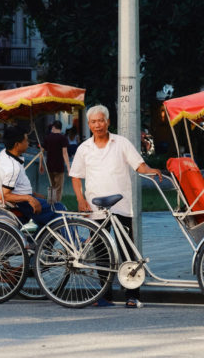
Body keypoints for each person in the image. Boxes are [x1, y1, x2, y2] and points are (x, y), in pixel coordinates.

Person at [69, 104, 162, 308]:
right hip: (95, 207)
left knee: (127, 249)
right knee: (101, 251)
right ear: (89, 124)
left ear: (108, 122)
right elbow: (76, 176)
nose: (97, 125)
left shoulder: (121, 143)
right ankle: (104, 295)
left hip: (121, 205)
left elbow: (139, 165)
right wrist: (80, 200)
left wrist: (151, 171)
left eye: (101, 120)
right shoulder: (84, 148)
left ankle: (132, 295)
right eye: (93, 122)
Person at [0, 126, 63, 227]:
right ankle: (74, 241)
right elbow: (4, 196)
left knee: (49, 209)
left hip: (22, 199)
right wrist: (30, 198)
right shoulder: (12, 167)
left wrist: (33, 194)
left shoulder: (5, 154)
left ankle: (41, 241)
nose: (28, 143)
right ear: (17, 145)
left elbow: (17, 186)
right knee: (59, 208)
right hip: (19, 204)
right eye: (26, 141)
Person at [40, 120, 70, 202]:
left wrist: (40, 165)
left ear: (53, 127)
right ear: (60, 128)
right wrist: (68, 167)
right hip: (59, 166)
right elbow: (65, 153)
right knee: (58, 188)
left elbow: (41, 152)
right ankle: (57, 206)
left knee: (51, 187)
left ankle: (50, 204)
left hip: (49, 166)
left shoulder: (47, 138)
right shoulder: (63, 138)